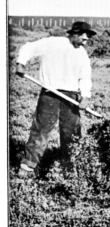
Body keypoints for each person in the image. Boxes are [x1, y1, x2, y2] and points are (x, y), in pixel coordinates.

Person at [15, 21, 96, 178]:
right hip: (50, 94)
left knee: (71, 133)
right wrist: (21, 63)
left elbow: (85, 76)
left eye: (87, 38)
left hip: (71, 97)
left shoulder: (82, 53)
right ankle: (26, 168)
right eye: (84, 37)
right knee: (41, 131)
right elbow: (28, 47)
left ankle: (70, 169)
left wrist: (85, 96)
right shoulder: (52, 43)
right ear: (75, 33)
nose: (86, 40)